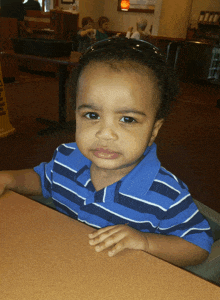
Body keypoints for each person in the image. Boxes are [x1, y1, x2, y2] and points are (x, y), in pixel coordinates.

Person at [0, 37, 213, 267]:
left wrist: (146, 242)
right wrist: (10, 178)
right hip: (62, 261)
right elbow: (43, 179)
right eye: (92, 115)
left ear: (154, 130)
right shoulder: (66, 158)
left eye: (127, 119)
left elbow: (198, 246)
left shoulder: (166, 194)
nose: (105, 134)